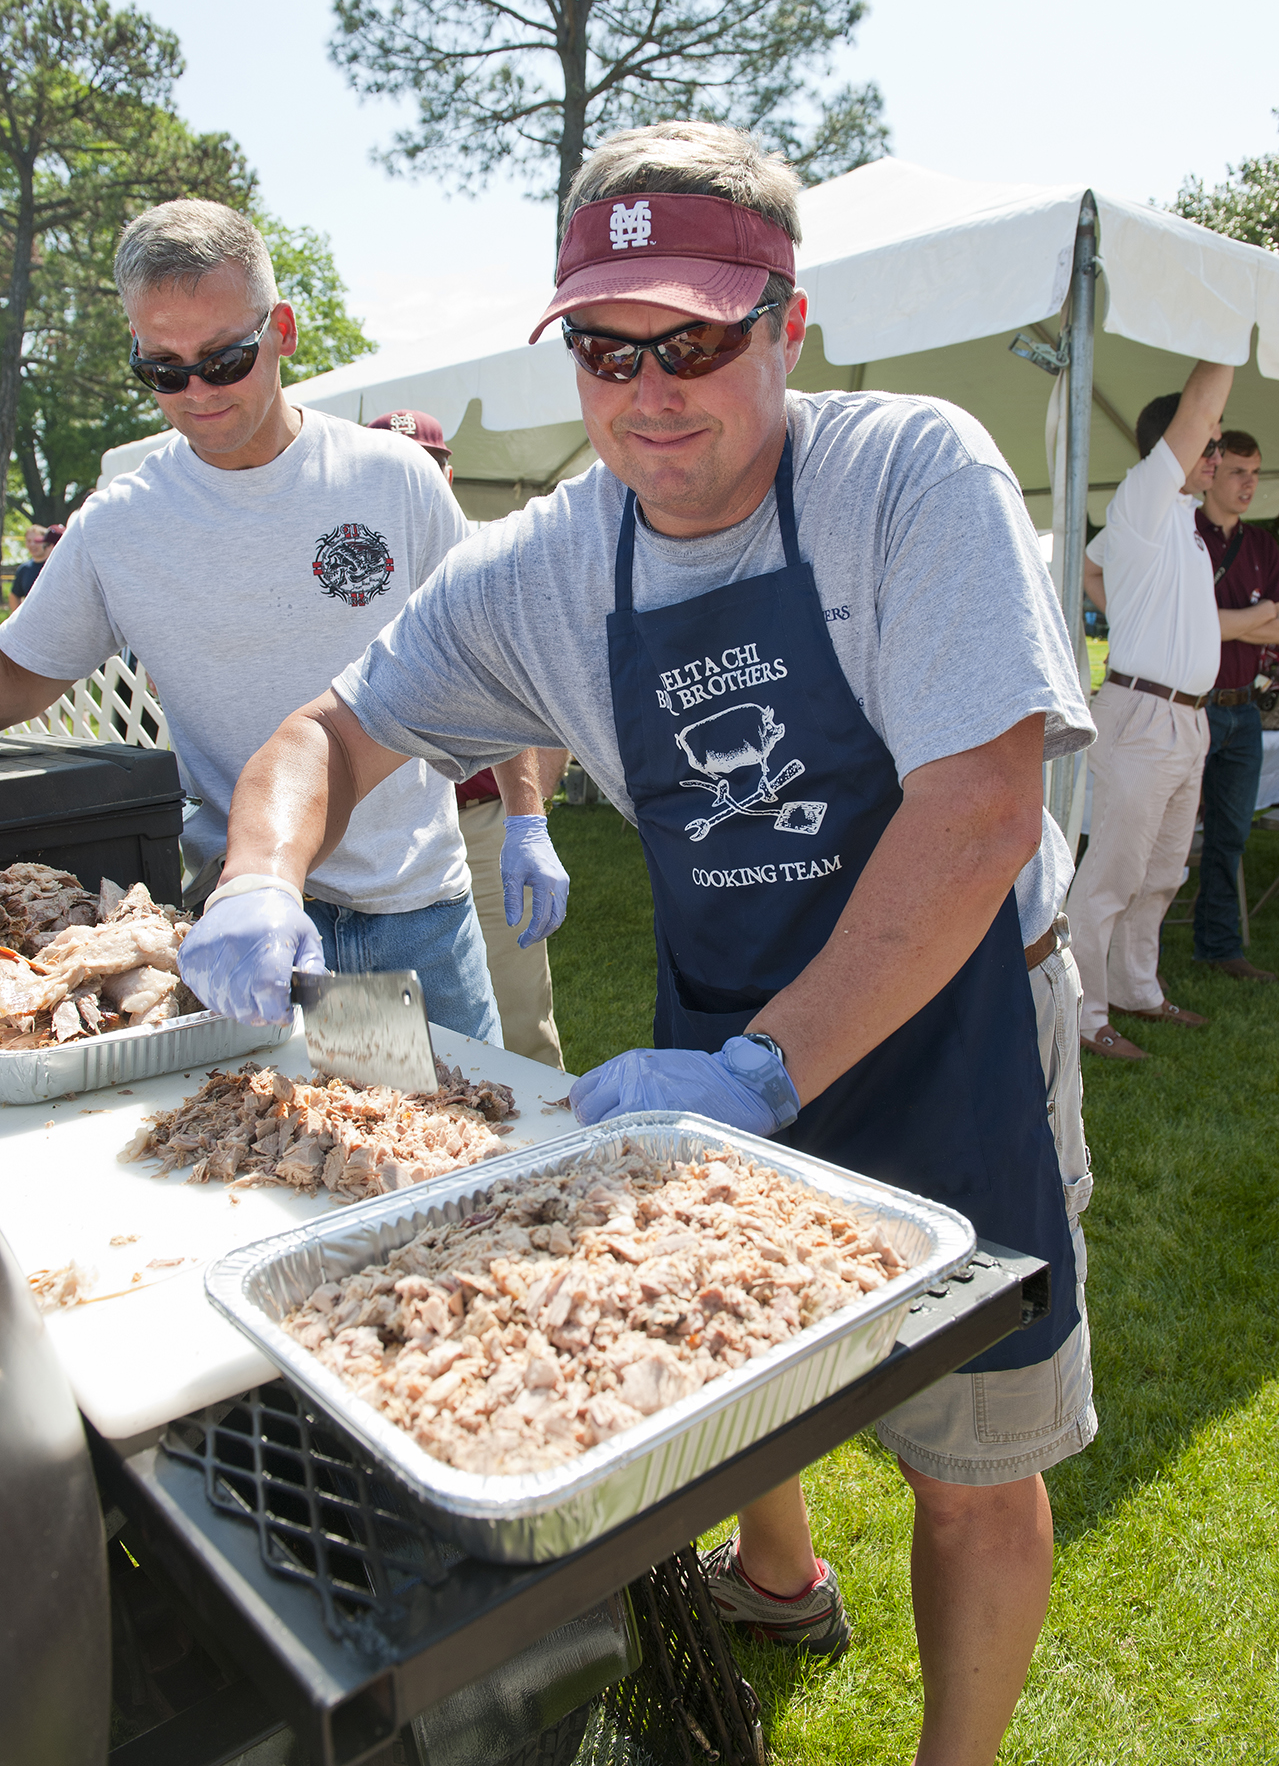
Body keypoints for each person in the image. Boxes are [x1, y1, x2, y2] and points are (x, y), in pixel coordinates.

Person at [178, 123, 1097, 1766]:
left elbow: (974, 813)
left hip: (953, 1023)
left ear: (785, 325)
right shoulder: (541, 565)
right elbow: (318, 737)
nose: (648, 390)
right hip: (715, 1023)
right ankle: (778, 1575)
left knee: (971, 1460)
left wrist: (765, 1071)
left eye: (695, 342)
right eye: (607, 348)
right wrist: (259, 874)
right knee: (709, 1360)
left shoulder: (910, 473)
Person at [0, 198, 570, 1039]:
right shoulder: (119, 525)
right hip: (248, 924)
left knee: (453, 1144)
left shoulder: (392, 479)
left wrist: (526, 819)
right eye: (162, 368)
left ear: (283, 331)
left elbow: (490, 654)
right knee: (289, 1157)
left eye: (224, 359)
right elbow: (19, 677)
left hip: (405, 908)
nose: (195, 391)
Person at [367, 408, 569, 1066]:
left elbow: (551, 698)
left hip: (480, 823)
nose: (408, 483)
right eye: (387, 467)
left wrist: (526, 815)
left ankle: (545, 1165)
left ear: (447, 474)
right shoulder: (341, 577)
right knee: (374, 1048)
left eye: (423, 467)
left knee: (517, 1027)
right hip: (368, 838)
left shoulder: (492, 565)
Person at [1069, 364, 1235, 1059]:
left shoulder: (1178, 525)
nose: (1217, 455)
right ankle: (1081, 1014)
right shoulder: (1143, 494)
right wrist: (1226, 329)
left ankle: (1138, 989)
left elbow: (1090, 561)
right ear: (1171, 446)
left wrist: (1125, 611)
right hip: (1142, 716)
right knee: (1108, 875)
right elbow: (1196, 409)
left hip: (1186, 721)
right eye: (1209, 445)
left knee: (1164, 870)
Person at [1193, 430, 1279, 979]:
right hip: (1190, 706)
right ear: (1214, 471)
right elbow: (1186, 624)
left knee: (1230, 836)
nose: (1250, 484)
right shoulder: (1183, 534)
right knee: (1166, 837)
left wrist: (1215, 625)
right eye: (1238, 472)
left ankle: (1220, 946)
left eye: (1256, 472)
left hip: (1245, 711)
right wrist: (1251, 621)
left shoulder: (1265, 547)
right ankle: (1136, 955)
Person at [8, 524, 62, 611]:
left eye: (37, 541)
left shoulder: (58, 567)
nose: (32, 545)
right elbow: (14, 595)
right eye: (29, 541)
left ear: (47, 543)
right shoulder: (24, 569)